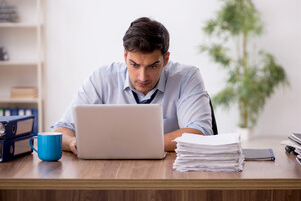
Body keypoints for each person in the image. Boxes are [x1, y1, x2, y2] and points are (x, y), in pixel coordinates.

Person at [53, 17, 213, 155]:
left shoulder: (187, 78)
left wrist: (125, 145)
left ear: (165, 59)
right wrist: (72, 142)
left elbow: (199, 134)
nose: (142, 77)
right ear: (125, 56)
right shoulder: (102, 78)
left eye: (153, 66)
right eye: (134, 65)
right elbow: (62, 130)